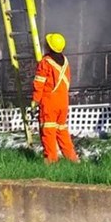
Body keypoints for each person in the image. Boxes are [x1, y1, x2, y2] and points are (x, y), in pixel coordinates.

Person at [32, 32, 79, 163]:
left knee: (48, 130)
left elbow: (39, 83)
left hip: (49, 101)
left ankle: (51, 160)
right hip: (63, 101)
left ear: (49, 46)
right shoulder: (65, 61)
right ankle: (72, 158)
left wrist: (35, 100)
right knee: (62, 130)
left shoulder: (45, 62)